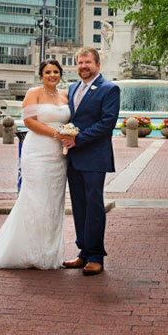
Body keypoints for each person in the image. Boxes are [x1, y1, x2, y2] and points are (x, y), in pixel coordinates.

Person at [0, 59, 70, 269]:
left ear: (60, 74)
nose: (52, 75)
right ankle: (29, 251)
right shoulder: (33, 93)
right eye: (47, 72)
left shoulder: (65, 95)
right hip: (37, 152)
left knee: (54, 202)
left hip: (58, 156)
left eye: (55, 72)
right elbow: (29, 122)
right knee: (35, 200)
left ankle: (49, 252)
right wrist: (57, 133)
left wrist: (68, 134)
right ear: (41, 75)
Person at [59, 47, 121, 276]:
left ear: (97, 65)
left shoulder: (110, 89)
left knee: (94, 205)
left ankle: (96, 256)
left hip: (94, 157)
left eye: (88, 62)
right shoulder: (73, 87)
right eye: (80, 62)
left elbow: (108, 123)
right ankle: (83, 252)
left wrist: (79, 139)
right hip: (73, 158)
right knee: (78, 205)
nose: (84, 66)